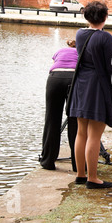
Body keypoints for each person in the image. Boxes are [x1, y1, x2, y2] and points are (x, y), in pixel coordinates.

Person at [68, 1, 112, 189]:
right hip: (98, 87)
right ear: (105, 17)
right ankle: (93, 178)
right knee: (94, 135)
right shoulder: (106, 38)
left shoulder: (80, 34)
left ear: (86, 17)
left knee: (81, 133)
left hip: (81, 86)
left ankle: (80, 175)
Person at [40, 40, 78, 172]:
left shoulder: (61, 51)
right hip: (74, 78)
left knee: (51, 120)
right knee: (75, 121)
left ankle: (47, 161)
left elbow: (55, 64)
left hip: (55, 78)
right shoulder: (83, 52)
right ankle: (77, 165)